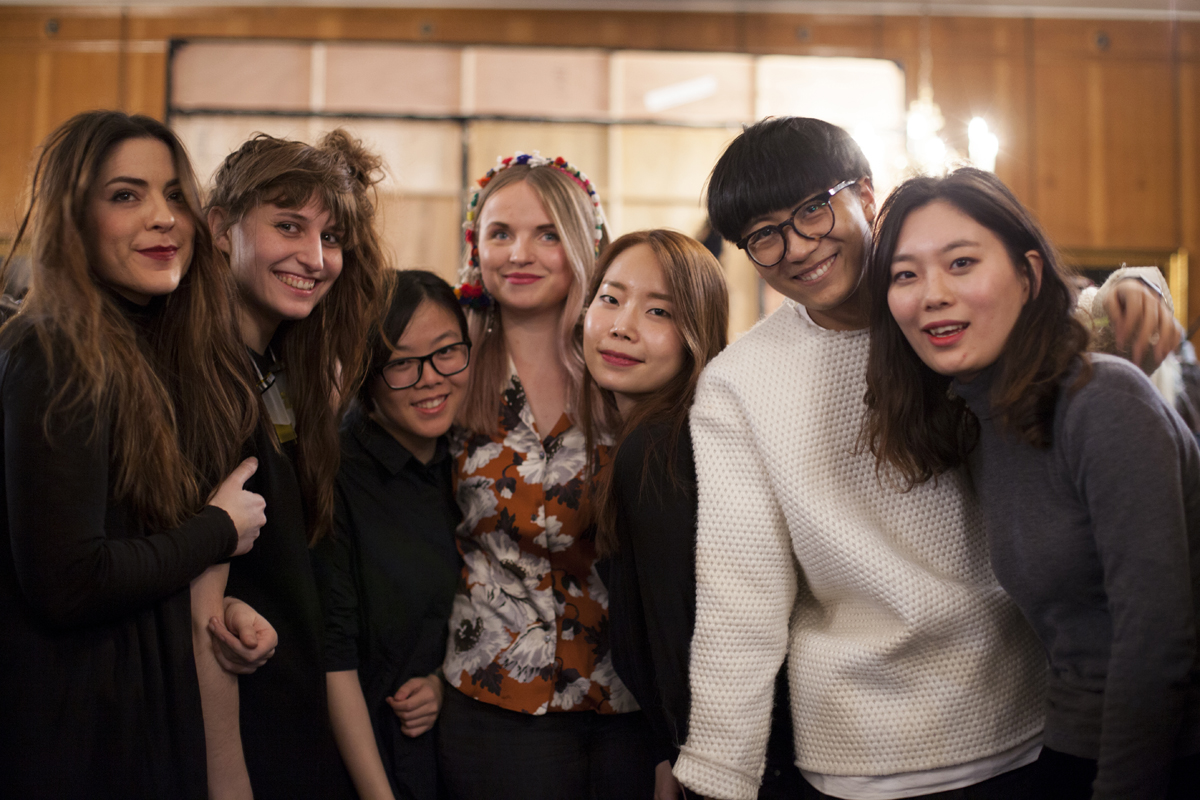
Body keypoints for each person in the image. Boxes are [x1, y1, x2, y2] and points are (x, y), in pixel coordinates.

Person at [672, 117, 1183, 800]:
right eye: (764, 235)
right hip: (858, 752)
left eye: (813, 212)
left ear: (865, 194)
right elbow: (741, 599)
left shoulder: (950, 321)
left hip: (1033, 722)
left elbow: (1064, 321)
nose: (796, 247)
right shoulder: (740, 385)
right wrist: (717, 774)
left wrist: (1139, 285)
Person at [862, 167, 1200, 800]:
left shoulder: (1101, 399)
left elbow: (1157, 640)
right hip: (1071, 743)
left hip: (1161, 754)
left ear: (1030, 275)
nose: (932, 293)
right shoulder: (979, 419)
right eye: (905, 275)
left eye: (961, 263)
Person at [0, 110, 264, 798]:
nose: (163, 218)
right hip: (76, 735)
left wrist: (224, 605)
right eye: (126, 195)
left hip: (142, 708)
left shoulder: (144, 344)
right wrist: (217, 531)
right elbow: (69, 581)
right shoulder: (54, 351)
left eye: (175, 194)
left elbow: (134, 539)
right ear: (72, 217)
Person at [439, 152, 655, 799]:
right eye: (500, 233)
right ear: (476, 247)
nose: (519, 253)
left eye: (546, 234)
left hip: (626, 702)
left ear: (586, 244)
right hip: (491, 697)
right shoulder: (447, 365)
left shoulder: (625, 366)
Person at [579, 228, 806, 800]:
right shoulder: (662, 432)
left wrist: (689, 765)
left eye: (658, 311)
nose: (622, 325)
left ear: (696, 336)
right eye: (610, 297)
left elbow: (687, 634)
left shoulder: (661, 446)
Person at [206, 129, 388, 799]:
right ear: (220, 228)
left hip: (291, 709)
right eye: (288, 225)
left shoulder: (281, 367)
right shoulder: (192, 376)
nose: (315, 257)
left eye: (332, 237)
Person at [313, 269, 468, 800]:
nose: (430, 378)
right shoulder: (334, 477)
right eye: (401, 363)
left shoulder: (471, 462)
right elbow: (335, 659)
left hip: (456, 758)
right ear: (367, 372)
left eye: (447, 352)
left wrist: (444, 684)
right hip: (364, 763)